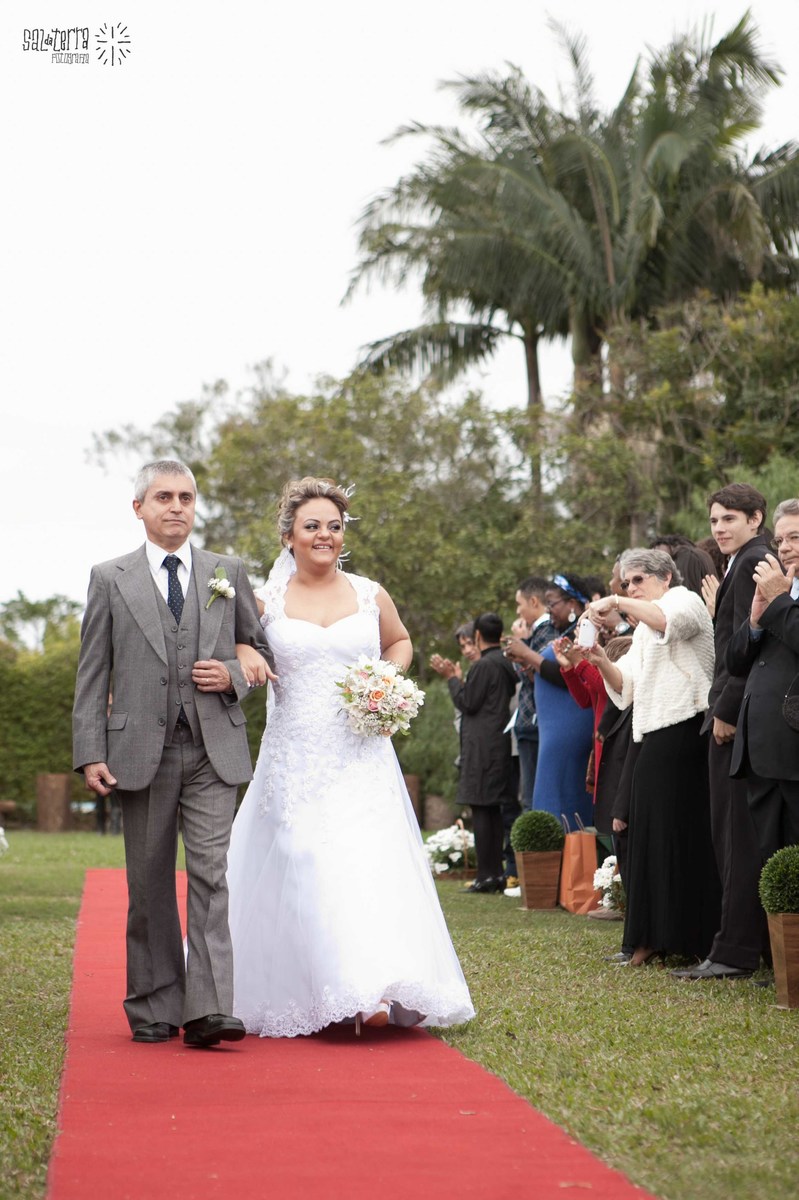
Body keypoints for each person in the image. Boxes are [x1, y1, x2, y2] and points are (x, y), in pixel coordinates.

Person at [226, 477, 474, 1036]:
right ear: (289, 535)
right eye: (312, 526)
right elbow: (240, 645)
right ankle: (325, 990)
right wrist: (245, 650)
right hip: (296, 756)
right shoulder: (264, 601)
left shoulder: (369, 592)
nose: (325, 535)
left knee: (369, 860)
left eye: (334, 527)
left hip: (362, 752)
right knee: (309, 861)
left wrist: (385, 680)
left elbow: (400, 641)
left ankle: (378, 986)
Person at [72, 459, 272, 1047]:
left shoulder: (226, 571)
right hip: (138, 751)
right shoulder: (109, 578)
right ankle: (154, 1003)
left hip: (214, 749)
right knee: (150, 881)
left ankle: (209, 1009)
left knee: (212, 875)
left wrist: (232, 672)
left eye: (186, 497)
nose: (177, 507)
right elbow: (92, 673)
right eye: (163, 497)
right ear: (140, 508)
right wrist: (90, 751)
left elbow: (262, 653)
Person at [586, 549, 720, 967]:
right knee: (645, 839)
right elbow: (628, 688)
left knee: (678, 837)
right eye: (625, 584)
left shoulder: (684, 600)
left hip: (684, 730)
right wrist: (601, 661)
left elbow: (669, 623)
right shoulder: (643, 626)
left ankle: (686, 936)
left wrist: (619, 604)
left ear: (664, 577)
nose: (630, 589)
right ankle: (647, 938)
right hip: (651, 735)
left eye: (638, 580)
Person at [672, 484, 771, 982]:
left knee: (736, 840)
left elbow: (750, 648)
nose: (719, 529)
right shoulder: (742, 561)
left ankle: (733, 952)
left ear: (756, 519)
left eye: (729, 518)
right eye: (714, 521)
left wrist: (727, 711)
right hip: (732, 713)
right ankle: (736, 948)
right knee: (729, 837)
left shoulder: (757, 562)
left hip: (739, 719)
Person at [727, 498, 799, 862]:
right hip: (760, 749)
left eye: (795, 538)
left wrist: (780, 601)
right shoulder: (777, 591)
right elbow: (735, 663)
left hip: (794, 752)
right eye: (780, 540)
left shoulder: (781, 593)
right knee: (770, 862)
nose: (784, 548)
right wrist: (755, 621)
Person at [504, 574, 594, 827]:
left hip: (571, 727)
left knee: (564, 800)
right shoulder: (564, 632)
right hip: (552, 730)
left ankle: (578, 861)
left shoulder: (584, 636)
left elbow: (569, 676)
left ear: (573, 604)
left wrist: (527, 653)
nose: (549, 609)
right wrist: (527, 662)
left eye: (553, 603)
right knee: (547, 798)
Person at [439, 612, 518, 893]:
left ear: (477, 637)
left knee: (482, 807)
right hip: (499, 742)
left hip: (483, 746)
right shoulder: (505, 661)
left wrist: (452, 679)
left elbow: (468, 703)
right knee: (493, 809)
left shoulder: (485, 665)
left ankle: (487, 875)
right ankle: (495, 873)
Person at [509, 577, 556, 811]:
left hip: (535, 721)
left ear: (534, 601)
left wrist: (521, 644)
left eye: (520, 604)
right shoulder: (537, 632)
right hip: (529, 721)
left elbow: (532, 673)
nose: (518, 611)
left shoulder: (546, 631)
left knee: (532, 797)